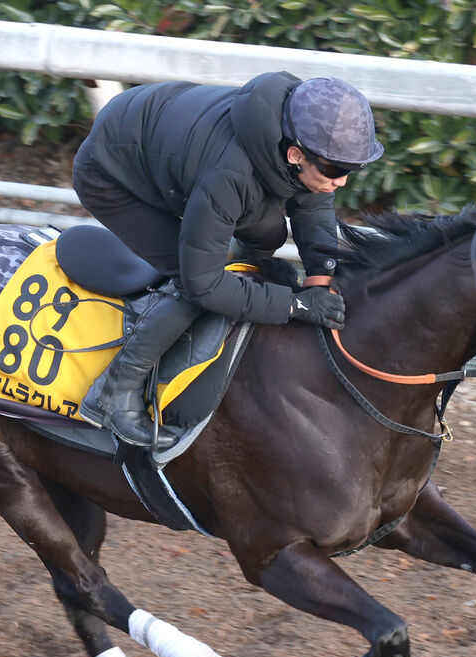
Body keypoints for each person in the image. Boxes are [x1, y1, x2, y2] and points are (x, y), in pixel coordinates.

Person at [72, 71, 383, 449]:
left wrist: (321, 276)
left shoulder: (298, 125)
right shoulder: (229, 174)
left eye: (351, 170)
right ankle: (112, 394)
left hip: (160, 138)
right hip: (112, 173)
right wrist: (296, 304)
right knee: (191, 279)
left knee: (266, 235)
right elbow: (204, 283)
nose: (343, 181)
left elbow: (314, 204)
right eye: (335, 170)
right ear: (295, 155)